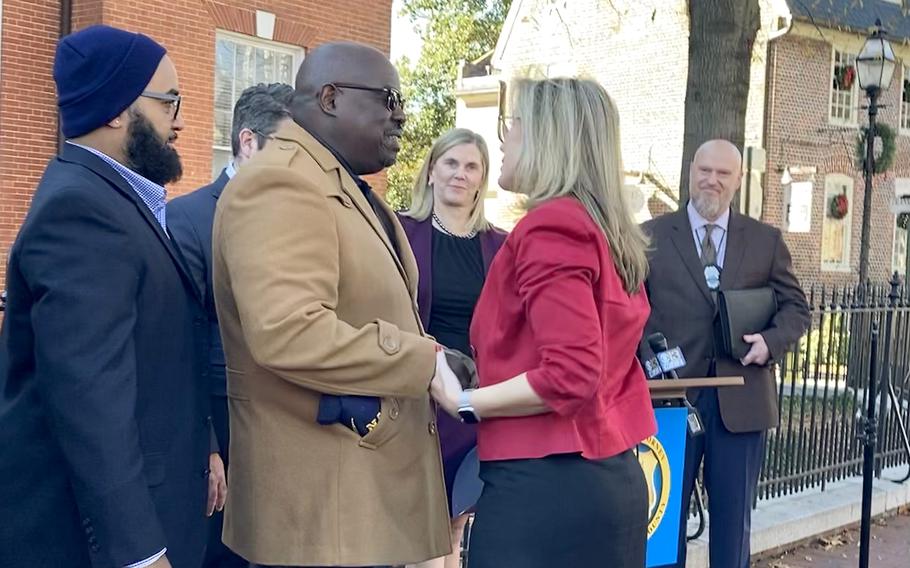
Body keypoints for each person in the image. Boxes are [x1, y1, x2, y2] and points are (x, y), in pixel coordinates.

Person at [211, 41, 450, 568]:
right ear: (331, 97)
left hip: (351, 505)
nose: (401, 115)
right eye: (388, 100)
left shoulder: (333, 180)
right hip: (321, 516)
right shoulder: (283, 182)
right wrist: (422, 363)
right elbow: (288, 331)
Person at [0, 25, 224, 568]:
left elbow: (159, 349)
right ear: (117, 108)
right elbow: (89, 402)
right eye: (170, 101)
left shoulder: (116, 199)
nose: (182, 121)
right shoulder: (81, 212)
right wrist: (140, 554)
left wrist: (206, 445)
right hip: (97, 540)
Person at [430, 77, 657, 568]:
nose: (503, 138)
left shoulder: (552, 226)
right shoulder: (604, 229)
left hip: (544, 490)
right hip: (603, 476)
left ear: (546, 137)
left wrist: (463, 401)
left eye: (511, 125)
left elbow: (572, 373)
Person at [642, 139, 810, 568]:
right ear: (691, 171)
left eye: (723, 173)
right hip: (671, 401)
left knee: (732, 528)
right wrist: (648, 363)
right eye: (704, 170)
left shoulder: (765, 240)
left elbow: (796, 308)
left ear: (738, 180)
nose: (711, 181)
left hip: (742, 400)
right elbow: (630, 309)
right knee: (662, 522)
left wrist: (770, 343)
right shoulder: (650, 237)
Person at [169, 82, 294, 568]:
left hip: (287, 432)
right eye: (289, 148)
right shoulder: (189, 219)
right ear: (248, 142)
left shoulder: (301, 223)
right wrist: (207, 446)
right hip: (219, 433)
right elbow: (182, 344)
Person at [397, 127, 507, 568]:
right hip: (419, 398)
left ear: (482, 180)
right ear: (430, 172)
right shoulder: (401, 232)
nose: (460, 174)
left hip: (475, 401)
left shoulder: (502, 245)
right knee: (421, 525)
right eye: (451, 163)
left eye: (471, 166)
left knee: (459, 519)